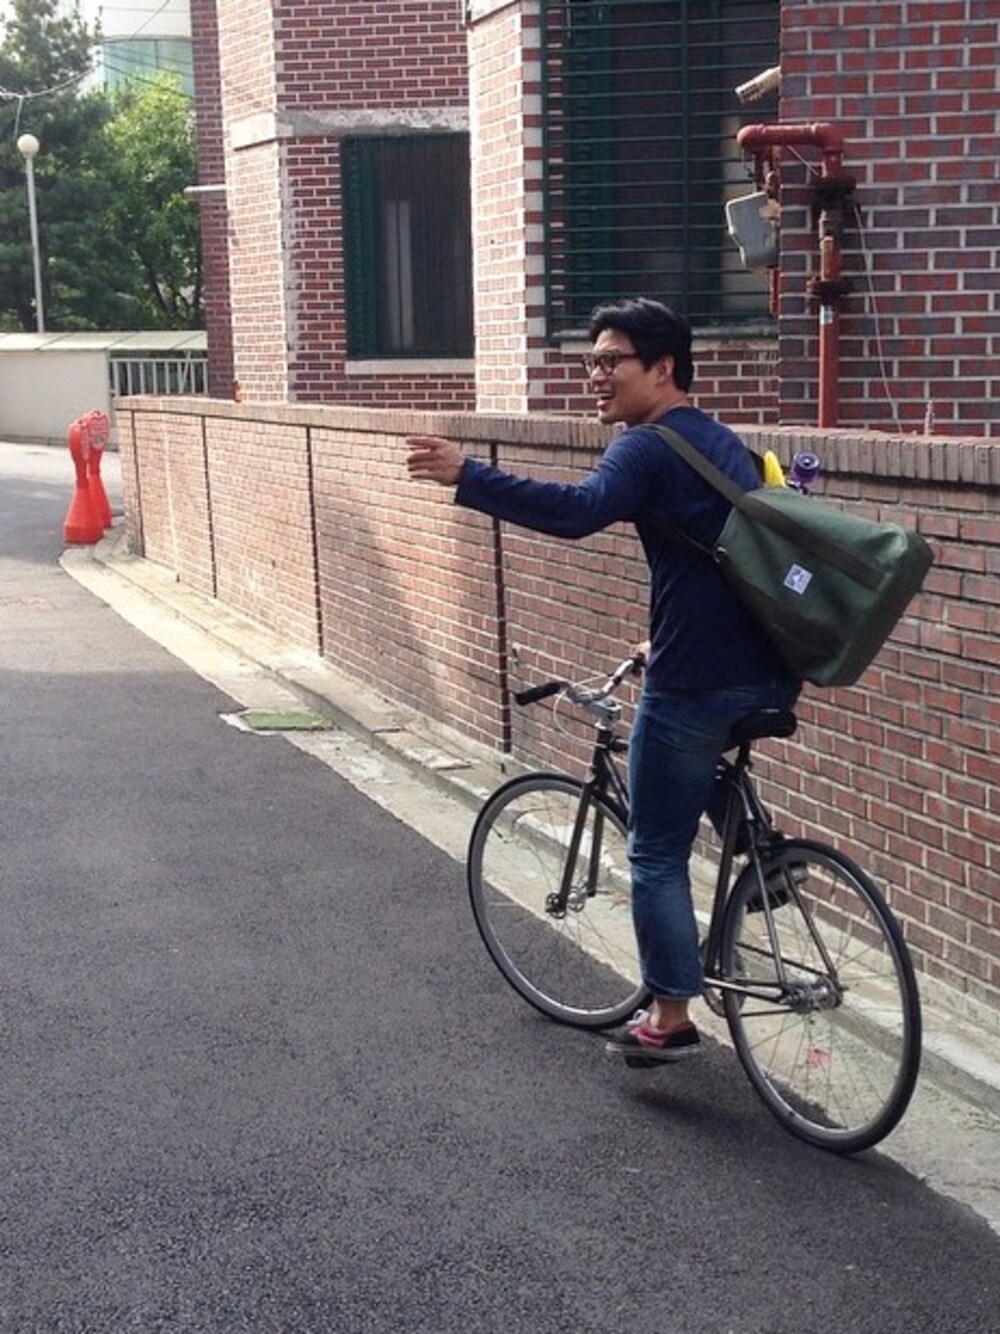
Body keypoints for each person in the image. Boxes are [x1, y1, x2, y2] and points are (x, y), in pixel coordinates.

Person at [405, 297, 800, 1064]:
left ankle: (670, 1017)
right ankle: (760, 852)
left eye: (611, 360)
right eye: (590, 361)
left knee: (654, 853)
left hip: (697, 681)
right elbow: (722, 560)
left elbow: (578, 512)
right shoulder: (722, 443)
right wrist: (665, 635)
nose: (595, 374)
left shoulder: (645, 447)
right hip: (770, 671)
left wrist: (469, 475)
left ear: (663, 367)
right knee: (694, 762)